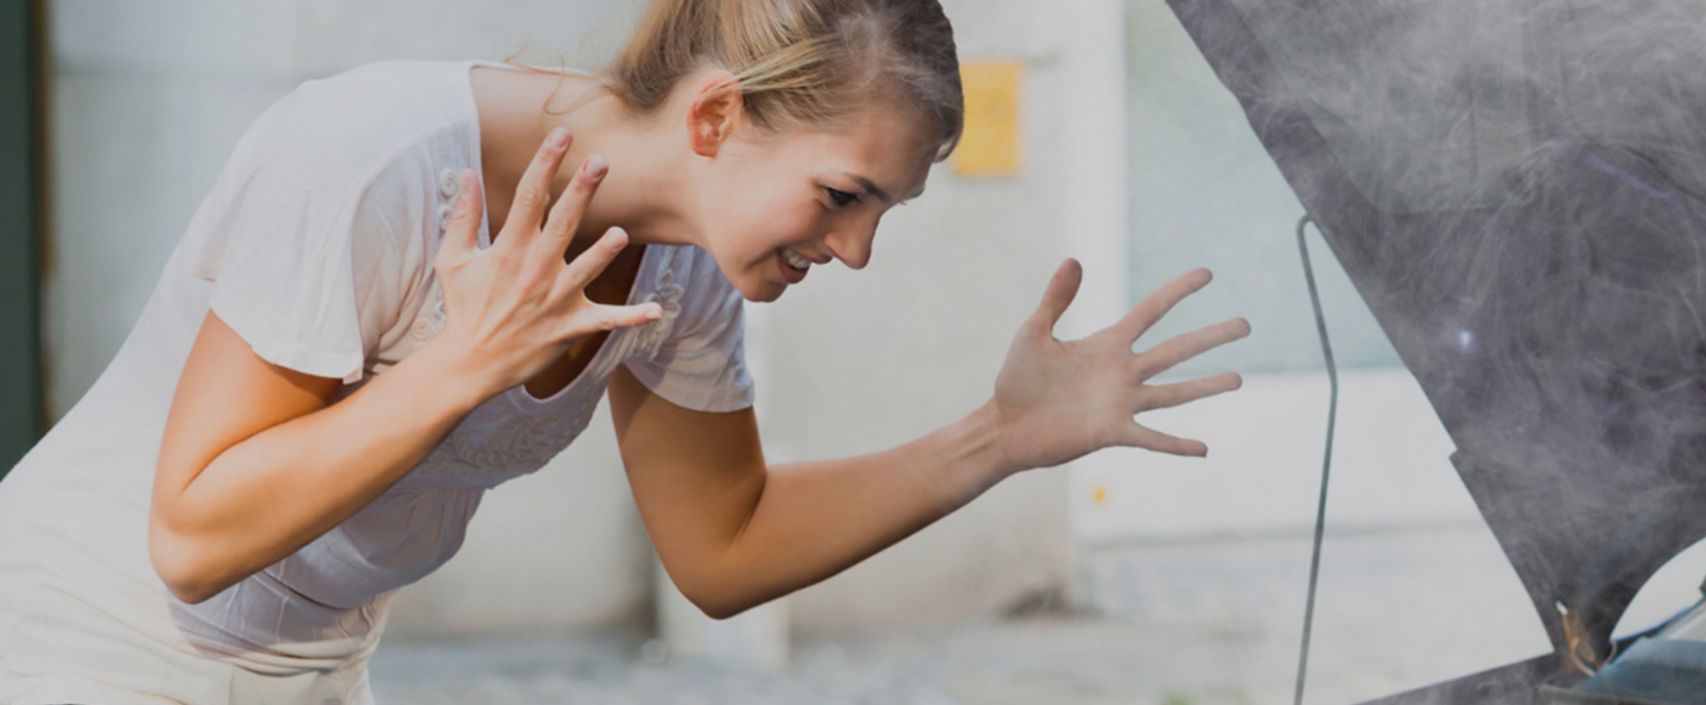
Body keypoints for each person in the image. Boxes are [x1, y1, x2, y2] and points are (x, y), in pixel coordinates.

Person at [0, 0, 1250, 702]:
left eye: (883, 212)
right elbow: (193, 534)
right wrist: (461, 364)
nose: (856, 250)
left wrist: (1002, 440)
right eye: (842, 195)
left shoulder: (690, 272)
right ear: (714, 115)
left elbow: (726, 544)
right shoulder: (374, 161)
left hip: (314, 671)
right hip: (84, 643)